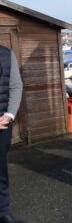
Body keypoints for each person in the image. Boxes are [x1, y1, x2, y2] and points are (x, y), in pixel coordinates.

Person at [0, 46, 24, 223]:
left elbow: (16, 85)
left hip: (2, 124)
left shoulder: (7, 54)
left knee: (1, 172)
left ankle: (4, 213)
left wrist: (9, 115)